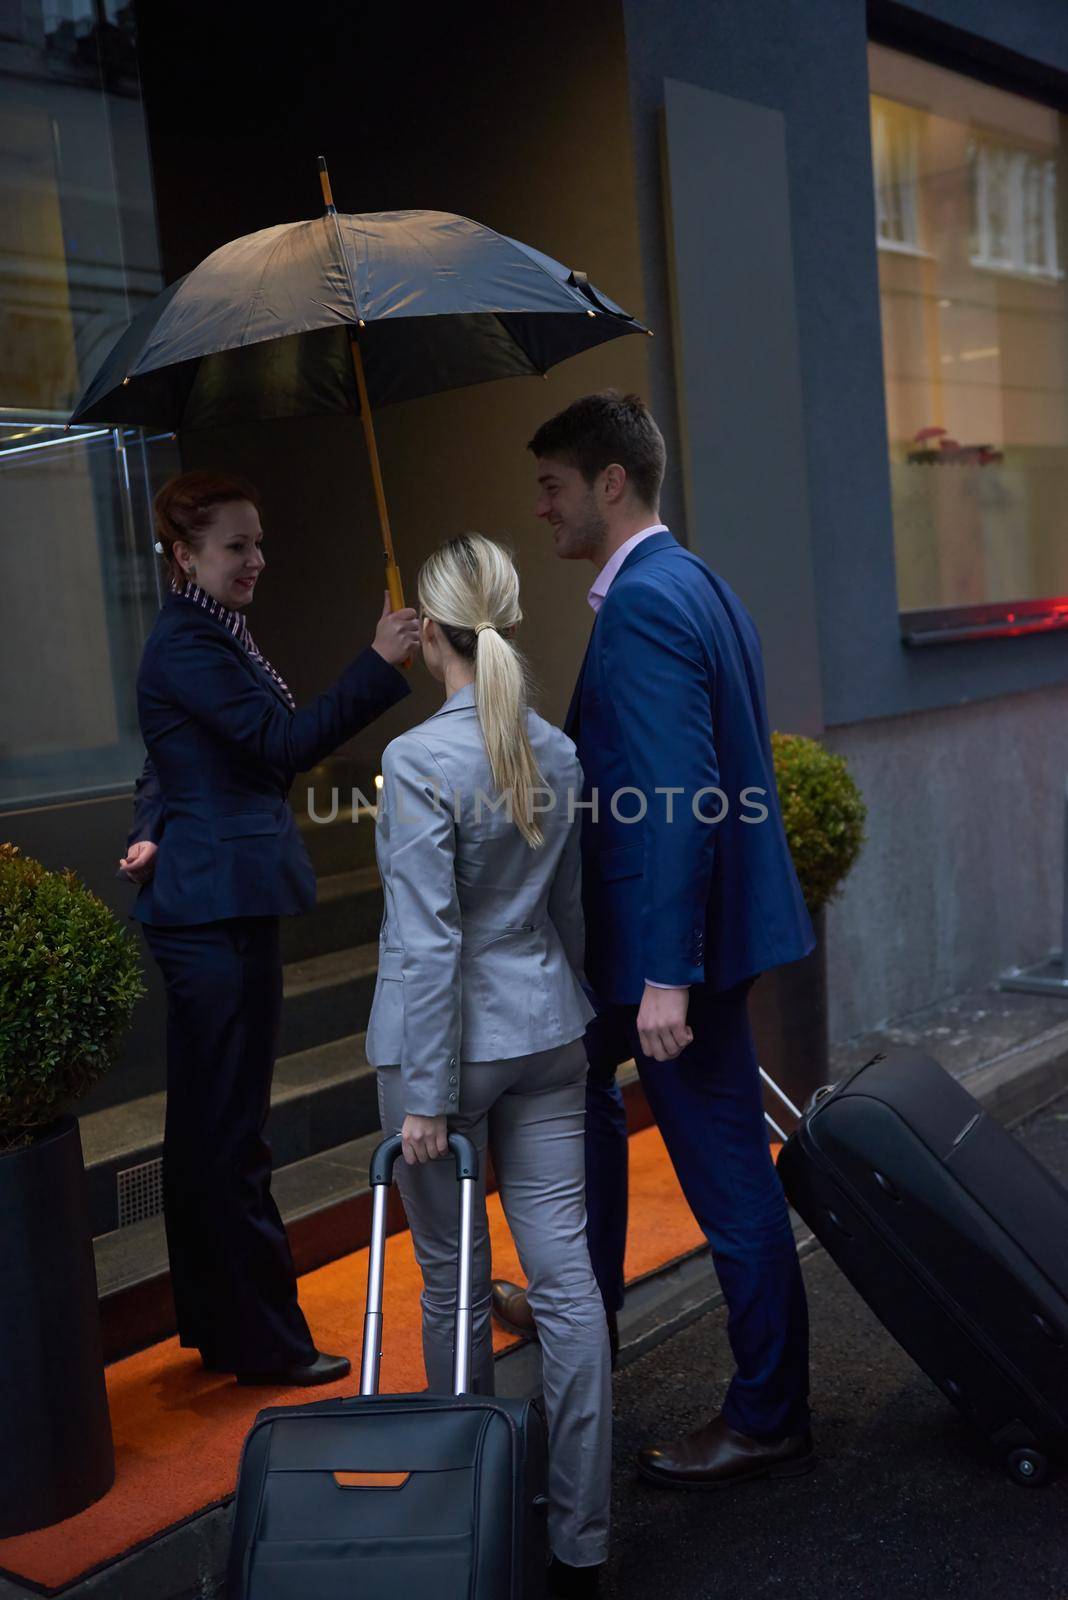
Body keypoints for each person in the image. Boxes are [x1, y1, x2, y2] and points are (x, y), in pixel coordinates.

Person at [491, 390, 816, 1488]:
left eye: (552, 486)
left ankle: (767, 1410)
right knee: (580, 1091)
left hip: (670, 957)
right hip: (656, 948)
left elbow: (680, 796)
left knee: (728, 1175)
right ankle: (581, 1297)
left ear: (609, 483)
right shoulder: (699, 584)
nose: (541, 507)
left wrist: (667, 977)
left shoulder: (643, 604)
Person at [118, 470, 419, 1387]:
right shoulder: (192, 644)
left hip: (216, 898)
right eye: (235, 546)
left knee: (212, 1132)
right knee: (230, 1137)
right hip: (213, 913)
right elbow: (282, 746)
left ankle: (219, 1327)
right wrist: (379, 664)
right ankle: (267, 1346)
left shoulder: (210, 634)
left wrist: (149, 825)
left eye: (258, 541)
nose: (257, 560)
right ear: (184, 556)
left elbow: (174, 757)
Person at [366, 534, 611, 1598]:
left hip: (451, 1057)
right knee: (566, 1286)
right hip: (551, 1027)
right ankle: (582, 1540)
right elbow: (568, 912)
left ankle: (469, 1522)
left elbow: (427, 939)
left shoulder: (418, 760)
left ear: (430, 632)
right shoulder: (554, 750)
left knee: (452, 1284)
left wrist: (424, 1097)